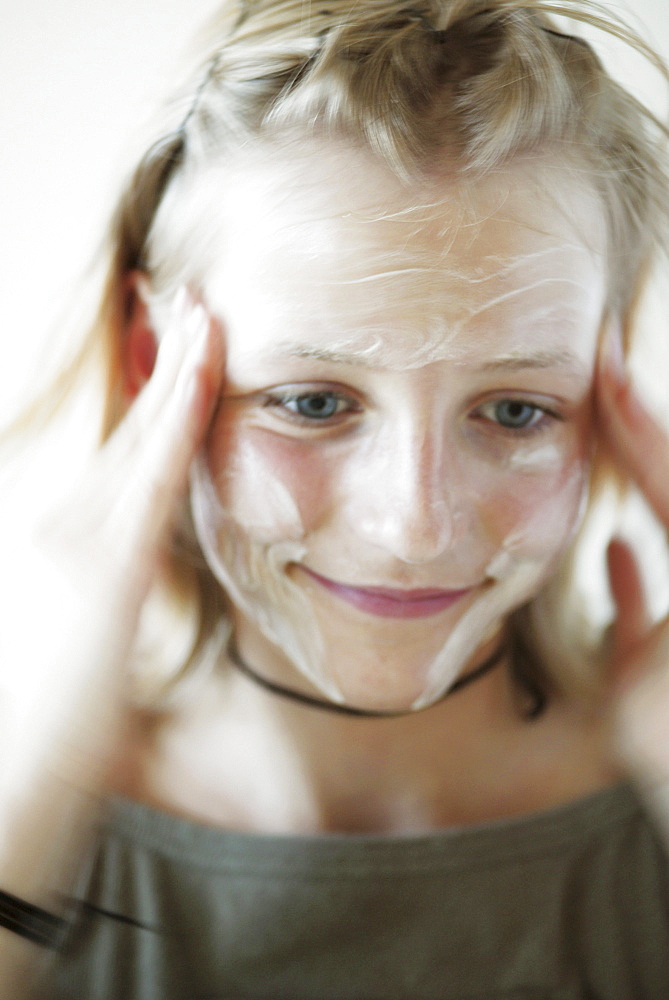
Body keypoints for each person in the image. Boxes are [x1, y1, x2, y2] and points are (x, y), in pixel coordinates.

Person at [2, 0, 669, 996]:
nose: (413, 526)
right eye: (312, 401)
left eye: (518, 410)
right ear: (153, 363)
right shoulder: (33, 813)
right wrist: (42, 762)